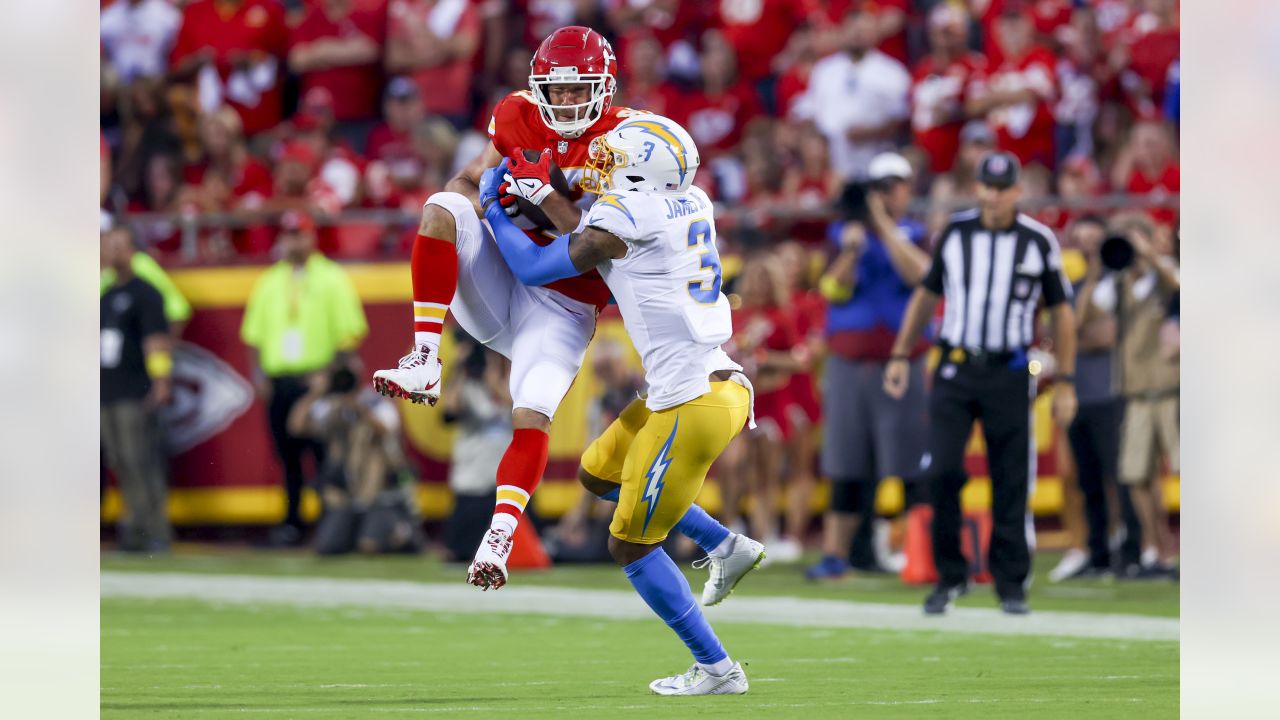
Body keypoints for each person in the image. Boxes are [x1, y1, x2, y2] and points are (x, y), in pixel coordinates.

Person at [372, 27, 750, 592]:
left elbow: (582, 249)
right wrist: (495, 195)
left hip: (564, 304)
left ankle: (497, 543)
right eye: (559, 90)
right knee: (443, 205)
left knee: (539, 419)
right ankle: (424, 355)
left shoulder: (626, 149)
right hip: (511, 279)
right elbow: (469, 180)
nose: (569, 101)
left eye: (581, 91)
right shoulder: (523, 113)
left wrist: (535, 198)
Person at [480, 114, 753, 695]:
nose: (600, 167)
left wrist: (499, 209)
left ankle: (718, 669)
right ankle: (723, 544)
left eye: (612, 160)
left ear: (640, 173)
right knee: (599, 473)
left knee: (628, 543)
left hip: (690, 404)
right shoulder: (690, 199)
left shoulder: (628, 215)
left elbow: (536, 265)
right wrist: (551, 196)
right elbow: (597, 234)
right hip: (705, 382)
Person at [884, 151, 1078, 616]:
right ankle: (950, 577)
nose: (993, 195)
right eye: (986, 187)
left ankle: (1011, 584)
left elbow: (1062, 313)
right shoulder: (956, 232)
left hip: (1010, 371)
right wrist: (899, 352)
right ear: (978, 189)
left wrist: (1066, 380)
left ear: (1016, 190)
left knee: (1011, 477)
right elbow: (927, 294)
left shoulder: (1038, 241)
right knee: (941, 472)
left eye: (1002, 187)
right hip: (954, 365)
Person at [806, 152, 931, 581]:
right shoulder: (843, 234)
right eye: (877, 188)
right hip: (850, 362)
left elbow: (921, 276)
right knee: (845, 461)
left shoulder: (913, 232)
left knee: (912, 461)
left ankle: (923, 553)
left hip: (901, 359)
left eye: (890, 186)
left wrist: (884, 228)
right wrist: (853, 251)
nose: (883, 195)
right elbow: (832, 290)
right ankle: (837, 555)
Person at [241, 210, 368, 546]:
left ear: (312, 237)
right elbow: (253, 335)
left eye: (299, 234)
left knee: (324, 454)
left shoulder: (331, 277)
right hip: (280, 379)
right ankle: (292, 522)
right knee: (287, 457)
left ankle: (331, 522)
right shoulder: (269, 280)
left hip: (316, 381)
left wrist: (328, 378)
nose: (293, 241)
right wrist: (259, 376)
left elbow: (349, 335)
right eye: (288, 235)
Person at [1060, 215, 1143, 579]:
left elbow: (1109, 335)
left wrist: (1080, 335)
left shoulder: (1123, 285)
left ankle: (1132, 551)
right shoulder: (1075, 285)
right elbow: (1070, 329)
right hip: (1079, 394)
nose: (1090, 248)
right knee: (1088, 479)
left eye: (1096, 240)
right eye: (1083, 241)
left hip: (1112, 391)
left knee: (1119, 477)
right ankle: (1097, 552)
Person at [288, 356, 423, 555]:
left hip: (379, 492)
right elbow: (297, 427)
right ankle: (357, 532)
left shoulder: (375, 400)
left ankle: (405, 533)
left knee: (370, 546)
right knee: (328, 547)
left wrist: (358, 407)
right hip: (348, 494)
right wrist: (315, 394)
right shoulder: (332, 406)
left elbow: (386, 430)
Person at [1108, 215, 1180, 577]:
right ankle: (1156, 548)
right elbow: (1086, 312)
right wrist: (1098, 269)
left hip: (1172, 389)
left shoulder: (1165, 275)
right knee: (1136, 475)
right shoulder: (1117, 282)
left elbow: (1181, 286)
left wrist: (1149, 256)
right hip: (1136, 393)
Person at [101, 224, 173, 553]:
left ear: (133, 251)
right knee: (121, 462)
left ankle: (154, 531)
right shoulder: (106, 293)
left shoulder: (146, 292)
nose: (112, 251)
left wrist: (160, 381)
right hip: (107, 388)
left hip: (134, 387)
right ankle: (135, 528)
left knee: (140, 459)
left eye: (119, 245)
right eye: (109, 245)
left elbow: (156, 341)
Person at [790, 5, 910, 181]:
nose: (857, 34)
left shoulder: (892, 72)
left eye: (863, 30)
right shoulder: (824, 69)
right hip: (831, 165)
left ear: (875, 32)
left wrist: (870, 132)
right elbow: (810, 109)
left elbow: (901, 118)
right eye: (853, 29)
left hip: (873, 159)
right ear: (843, 31)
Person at [440, 339, 513, 563]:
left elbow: (516, 408)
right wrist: (460, 369)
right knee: (460, 554)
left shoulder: (514, 382)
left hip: (506, 478)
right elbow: (448, 412)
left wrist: (493, 380)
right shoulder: (467, 387)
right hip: (472, 479)